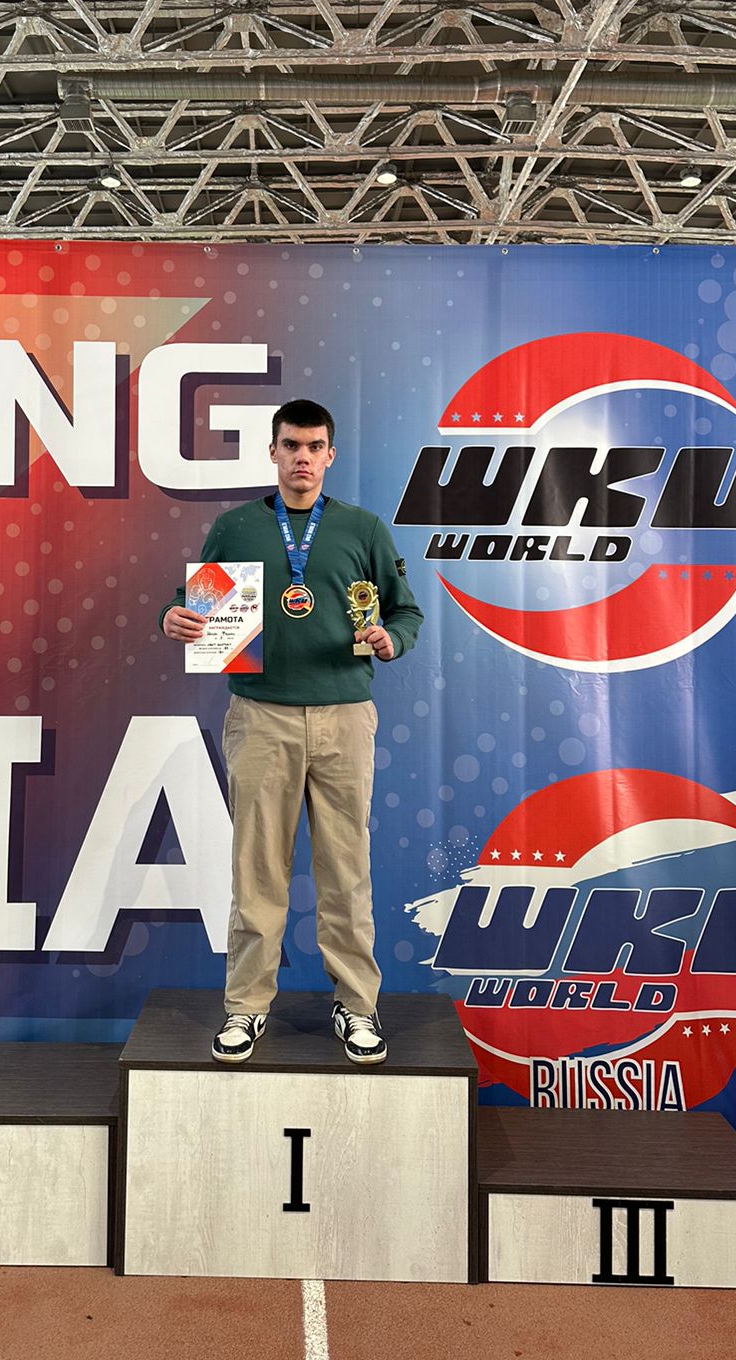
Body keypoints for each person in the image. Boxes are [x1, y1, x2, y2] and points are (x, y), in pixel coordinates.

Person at [160, 399, 423, 1065]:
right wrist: (175, 617)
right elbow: (196, 607)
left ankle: (357, 1006)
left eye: (313, 446)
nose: (302, 457)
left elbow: (405, 612)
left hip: (344, 717)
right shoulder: (237, 527)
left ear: (330, 455)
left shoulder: (362, 528)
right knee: (257, 870)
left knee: (346, 870)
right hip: (261, 716)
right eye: (290, 445)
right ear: (273, 452)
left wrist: (390, 639)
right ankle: (246, 1007)